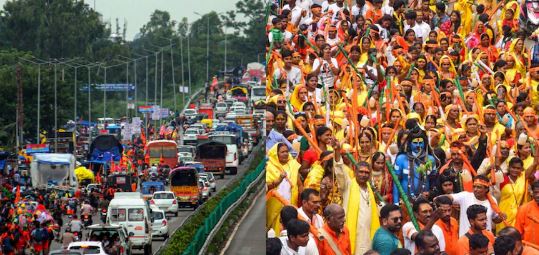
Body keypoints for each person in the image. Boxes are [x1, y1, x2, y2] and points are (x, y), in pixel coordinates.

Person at [333, 141, 380, 255]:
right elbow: (340, 172)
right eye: (361, 172)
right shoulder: (348, 184)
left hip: (369, 234)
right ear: (355, 172)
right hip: (354, 233)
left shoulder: (369, 188)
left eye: (366, 173)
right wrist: (337, 152)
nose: (363, 175)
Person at [435, 175, 505, 237]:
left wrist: (501, 217)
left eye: (479, 187)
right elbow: (446, 198)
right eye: (474, 186)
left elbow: (495, 219)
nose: (475, 189)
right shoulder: (465, 196)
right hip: (466, 240)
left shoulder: (492, 200)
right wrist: (445, 201)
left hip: (485, 240)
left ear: (486, 189)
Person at [266, 143, 301, 235]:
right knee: (275, 233)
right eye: (282, 152)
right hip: (275, 206)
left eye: (287, 151)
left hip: (291, 205)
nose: (285, 154)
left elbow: (299, 184)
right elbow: (266, 186)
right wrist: (279, 180)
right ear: (276, 154)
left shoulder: (293, 164)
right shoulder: (269, 166)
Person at [515, 180, 539, 249]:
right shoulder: (524, 209)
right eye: (536, 192)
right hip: (529, 250)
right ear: (532, 193)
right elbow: (518, 233)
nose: (538, 195)